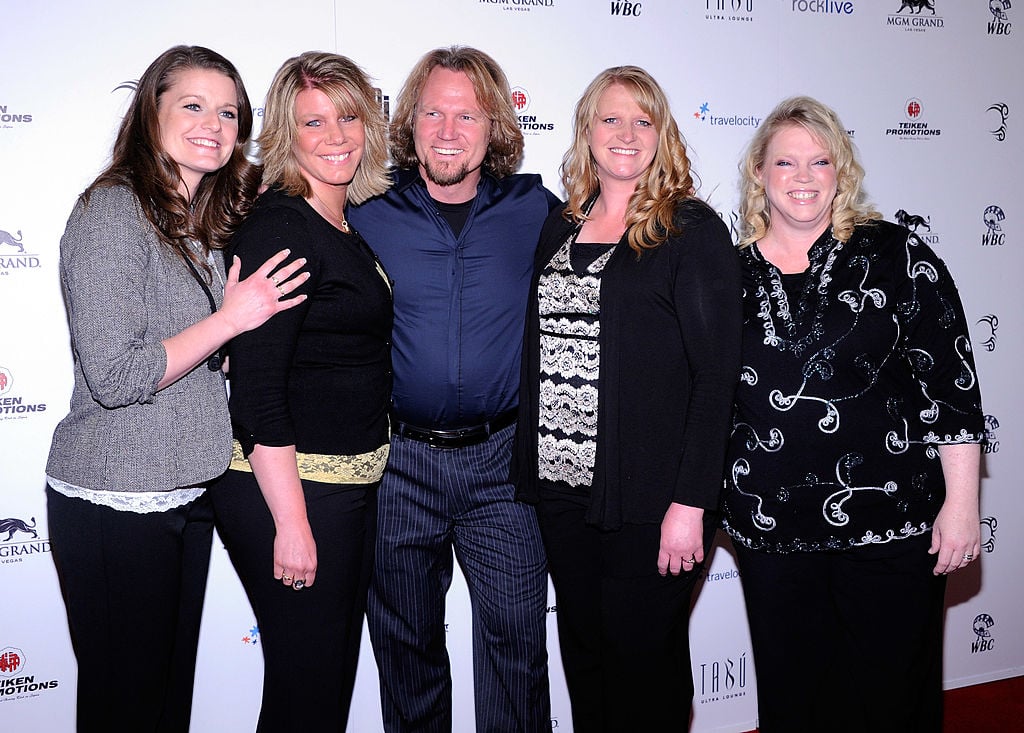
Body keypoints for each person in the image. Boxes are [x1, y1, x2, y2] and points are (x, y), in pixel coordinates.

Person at [45, 45, 308, 732]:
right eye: (192, 105)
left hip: (186, 492)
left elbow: (185, 353)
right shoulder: (113, 212)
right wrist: (228, 320)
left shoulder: (196, 222)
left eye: (228, 112)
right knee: (125, 706)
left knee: (165, 706)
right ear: (149, 111)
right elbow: (116, 374)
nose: (213, 124)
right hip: (116, 500)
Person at [721, 96, 984, 732]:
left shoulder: (899, 257)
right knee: (795, 702)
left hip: (891, 526)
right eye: (786, 162)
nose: (804, 176)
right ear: (759, 171)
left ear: (843, 171)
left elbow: (951, 386)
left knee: (895, 698)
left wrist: (962, 503)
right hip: (772, 533)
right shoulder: (725, 273)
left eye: (820, 161)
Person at [512, 66, 742, 731]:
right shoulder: (560, 226)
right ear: (586, 129)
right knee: (585, 660)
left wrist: (692, 501)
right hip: (562, 491)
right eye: (611, 118)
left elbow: (716, 375)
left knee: (646, 670)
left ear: (662, 135)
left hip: (650, 499)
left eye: (644, 120)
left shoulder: (688, 229)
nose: (626, 133)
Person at [347, 46, 559, 732]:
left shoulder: (533, 209)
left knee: (518, 646)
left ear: (494, 125)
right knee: (406, 650)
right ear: (408, 123)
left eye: (466, 114)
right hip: (398, 464)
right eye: (433, 112)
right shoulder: (367, 210)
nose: (447, 130)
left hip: (503, 465)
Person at [207, 52, 392, 732]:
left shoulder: (339, 221)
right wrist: (290, 521)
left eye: (347, 116)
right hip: (290, 490)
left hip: (339, 490)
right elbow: (256, 389)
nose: (337, 135)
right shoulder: (284, 227)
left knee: (322, 686)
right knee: (307, 695)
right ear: (286, 135)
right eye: (313, 122)